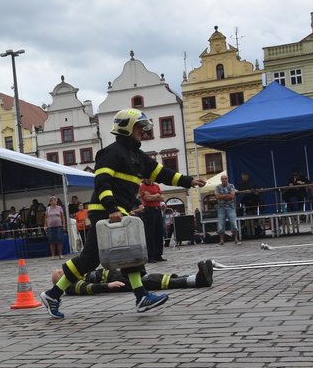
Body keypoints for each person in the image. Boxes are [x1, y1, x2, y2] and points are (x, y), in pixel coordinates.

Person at [40, 108, 205, 318]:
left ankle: (139, 296)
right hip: (105, 213)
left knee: (125, 253)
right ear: (127, 128)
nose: (142, 132)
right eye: (139, 127)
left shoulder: (138, 157)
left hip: (117, 213)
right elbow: (101, 183)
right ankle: (54, 294)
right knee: (91, 258)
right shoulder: (111, 153)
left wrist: (188, 181)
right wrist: (112, 209)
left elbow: (162, 173)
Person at [54, 259, 214, 295]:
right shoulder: (70, 287)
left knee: (154, 277)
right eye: (60, 274)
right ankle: (197, 280)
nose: (64, 271)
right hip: (116, 281)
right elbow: (86, 288)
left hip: (117, 274)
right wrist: (107, 286)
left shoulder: (77, 274)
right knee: (151, 282)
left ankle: (194, 277)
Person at [138, 177, 166, 262]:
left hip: (157, 210)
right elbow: (147, 198)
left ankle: (158, 254)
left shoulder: (156, 186)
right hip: (149, 210)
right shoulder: (142, 186)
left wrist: (153, 196)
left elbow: (162, 198)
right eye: (148, 178)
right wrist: (157, 196)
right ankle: (151, 256)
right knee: (150, 234)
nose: (150, 179)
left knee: (159, 233)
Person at [214, 173, 241, 245]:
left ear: (227, 179)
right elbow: (217, 196)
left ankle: (236, 239)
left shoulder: (231, 186)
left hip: (230, 207)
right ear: (221, 180)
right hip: (221, 208)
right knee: (221, 224)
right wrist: (227, 195)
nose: (224, 180)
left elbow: (232, 196)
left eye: (225, 179)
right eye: (222, 179)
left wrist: (221, 196)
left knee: (233, 223)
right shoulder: (217, 187)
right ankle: (221, 240)